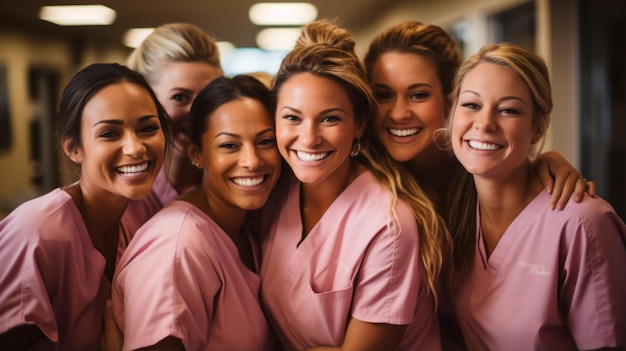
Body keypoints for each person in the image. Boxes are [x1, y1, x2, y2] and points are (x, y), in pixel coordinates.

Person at [258, 19, 451, 350]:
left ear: (360, 123)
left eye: (330, 118)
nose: (309, 138)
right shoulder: (273, 191)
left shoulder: (388, 225)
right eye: (292, 117)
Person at [446, 42, 626, 350]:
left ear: (537, 130)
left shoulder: (582, 224)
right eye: (472, 105)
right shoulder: (453, 204)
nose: (485, 123)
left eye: (508, 110)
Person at [0, 63, 168, 350]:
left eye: (148, 128)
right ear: (73, 148)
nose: (135, 147)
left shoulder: (139, 218)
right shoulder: (35, 231)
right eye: (110, 134)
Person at [113, 75, 281, 350]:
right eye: (229, 145)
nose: (252, 161)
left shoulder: (245, 227)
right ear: (196, 153)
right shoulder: (177, 247)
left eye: (265, 141)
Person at [126, 22, 223, 215]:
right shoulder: (126, 194)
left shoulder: (235, 181)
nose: (198, 112)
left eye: (208, 96)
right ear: (146, 100)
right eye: (180, 97)